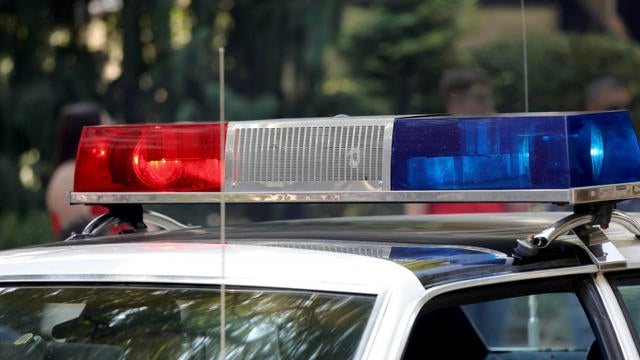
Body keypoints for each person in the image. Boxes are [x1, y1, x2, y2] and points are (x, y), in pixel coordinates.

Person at [404, 68, 526, 215]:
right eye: (480, 98)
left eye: (489, 98)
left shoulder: (503, 148)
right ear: (455, 102)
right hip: (446, 236)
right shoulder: (429, 151)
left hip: (496, 234)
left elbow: (519, 211)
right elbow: (416, 216)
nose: (489, 106)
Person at [46, 101, 113, 240]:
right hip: (94, 257)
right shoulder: (69, 175)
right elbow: (79, 231)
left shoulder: (91, 171)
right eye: (105, 128)